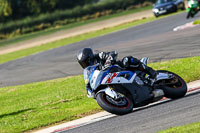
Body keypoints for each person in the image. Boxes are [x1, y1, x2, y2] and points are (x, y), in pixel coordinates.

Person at [77, 48, 157, 92]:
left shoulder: (99, 56)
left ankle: (153, 73)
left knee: (127, 60)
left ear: (90, 57)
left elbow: (113, 53)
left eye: (85, 62)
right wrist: (88, 88)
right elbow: (88, 81)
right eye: (82, 63)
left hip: (119, 68)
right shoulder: (89, 71)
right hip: (109, 79)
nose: (85, 65)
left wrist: (108, 63)